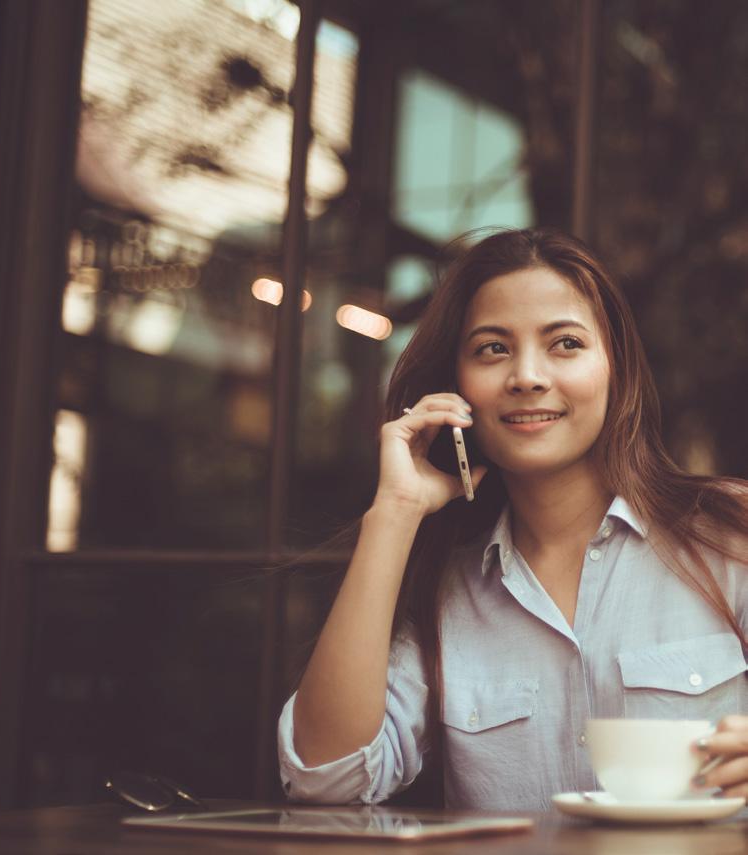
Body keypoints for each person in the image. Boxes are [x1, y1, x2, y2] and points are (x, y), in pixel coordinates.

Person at [277, 228, 748, 811]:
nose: (526, 376)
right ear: (458, 388)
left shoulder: (730, 538)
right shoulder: (442, 592)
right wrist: (394, 512)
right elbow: (325, 777)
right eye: (493, 349)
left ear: (615, 370)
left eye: (566, 344)